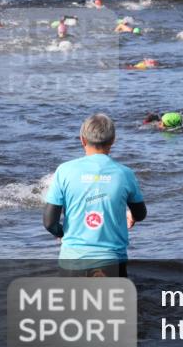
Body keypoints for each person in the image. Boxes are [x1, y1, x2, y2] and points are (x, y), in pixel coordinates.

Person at [43, 113, 147, 277]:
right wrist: (132, 216)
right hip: (112, 262)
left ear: (82, 140)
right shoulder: (125, 174)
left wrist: (62, 234)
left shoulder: (64, 171)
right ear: (113, 140)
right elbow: (141, 214)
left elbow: (49, 222)